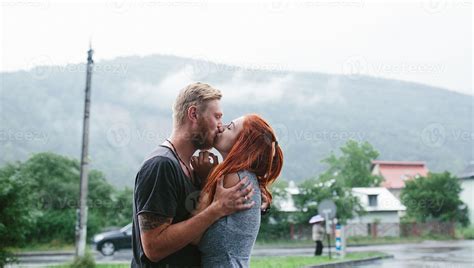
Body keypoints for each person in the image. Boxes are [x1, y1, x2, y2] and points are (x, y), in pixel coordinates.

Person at [131, 82, 257, 267]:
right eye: (217, 117)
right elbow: (153, 248)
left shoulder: (192, 168)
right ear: (194, 114)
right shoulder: (162, 165)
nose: (220, 126)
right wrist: (217, 208)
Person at [192, 114, 284, 267]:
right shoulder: (246, 177)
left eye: (230, 128)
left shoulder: (234, 177)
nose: (221, 127)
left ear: (242, 144)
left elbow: (194, 236)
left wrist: (207, 182)